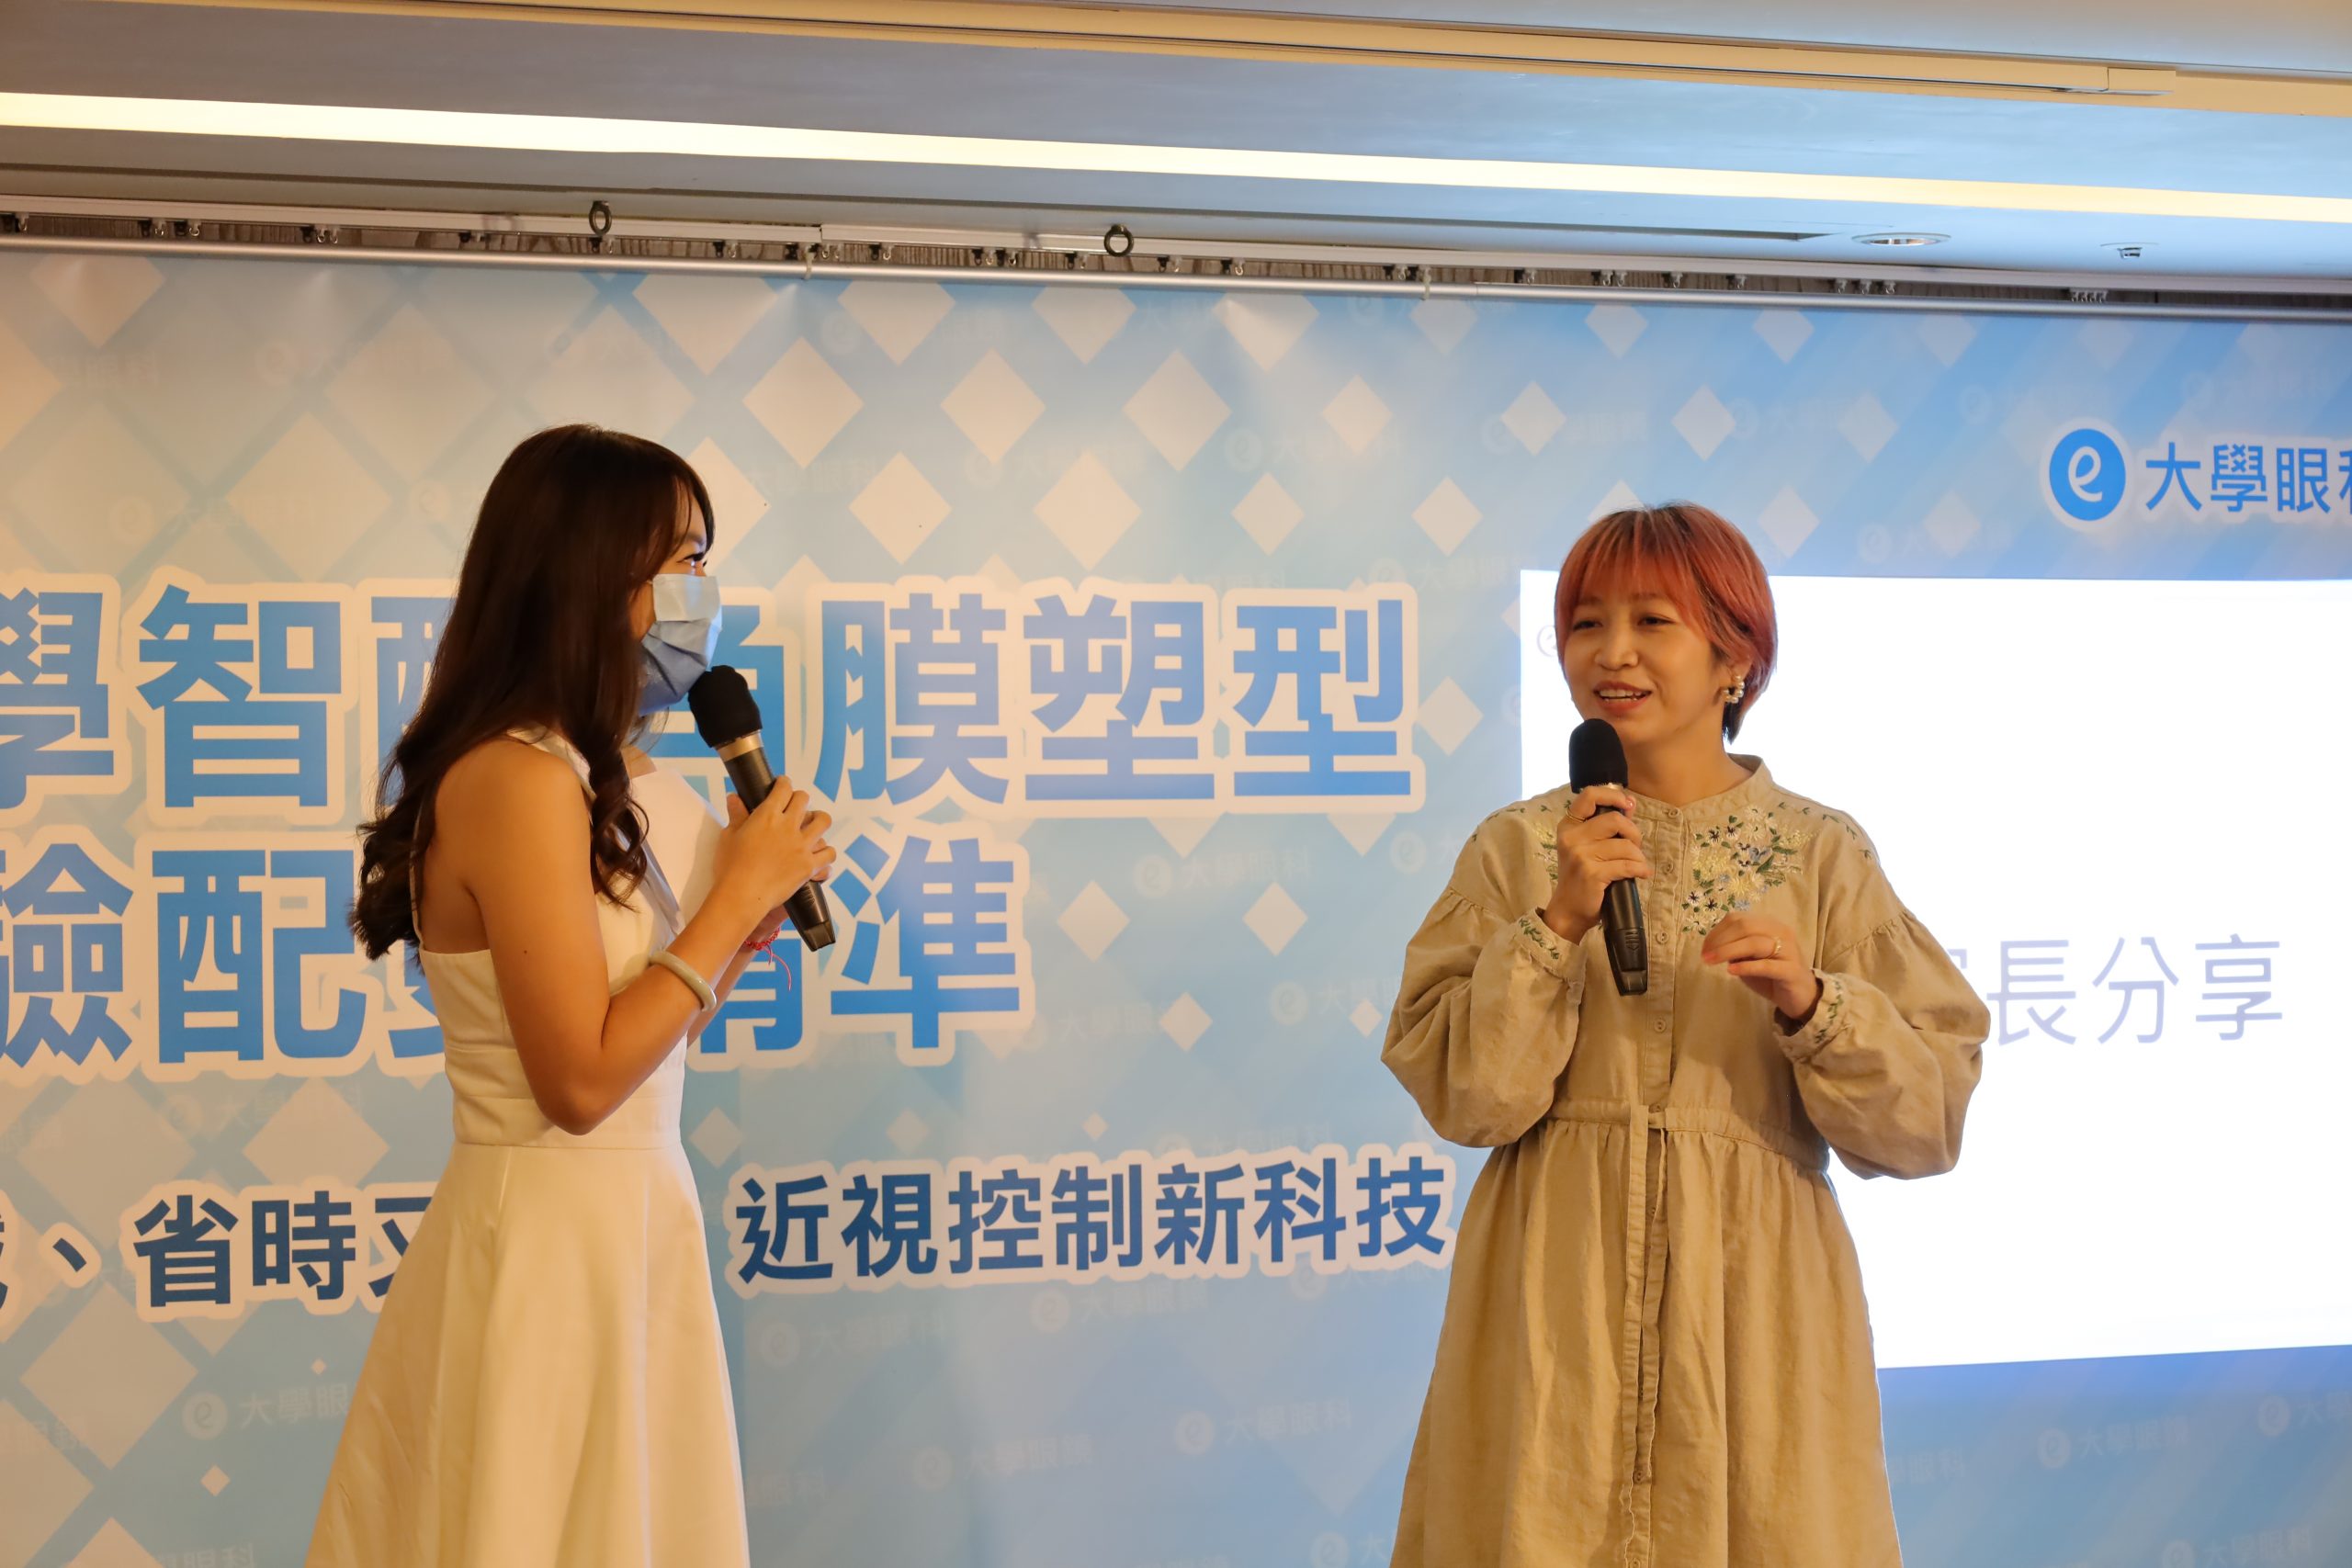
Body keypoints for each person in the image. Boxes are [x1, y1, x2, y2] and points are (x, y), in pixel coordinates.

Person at [1381, 503, 1989, 1568]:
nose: (1610, 653)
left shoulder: (1821, 854)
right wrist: (1553, 926)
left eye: (1650, 621)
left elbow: (1924, 1121)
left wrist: (1814, 1006)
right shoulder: (1517, 850)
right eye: (1585, 624)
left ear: (1734, 658)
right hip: (1552, 1298)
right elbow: (1471, 1099)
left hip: (1751, 1306)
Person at [311, 424, 833, 1568]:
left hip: (631, 1221)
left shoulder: (592, 777)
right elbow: (580, 1085)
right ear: (595, 572)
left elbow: (634, 1042)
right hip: (547, 1243)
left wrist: (736, 932)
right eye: (685, 560)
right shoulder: (516, 777)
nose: (702, 591)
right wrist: (728, 900)